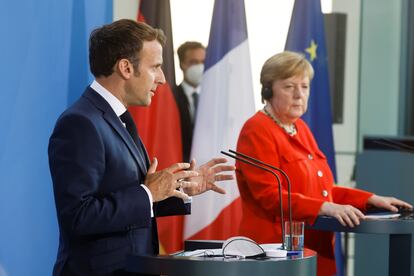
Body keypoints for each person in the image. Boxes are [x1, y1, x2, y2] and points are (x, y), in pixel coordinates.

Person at [48, 19, 234, 276]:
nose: (163, 79)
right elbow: (78, 216)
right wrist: (148, 193)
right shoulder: (80, 123)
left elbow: (130, 195)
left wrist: (178, 188)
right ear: (125, 67)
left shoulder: (120, 118)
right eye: (156, 67)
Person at [235, 51, 412, 276]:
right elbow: (270, 196)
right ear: (268, 90)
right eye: (289, 87)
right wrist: (325, 207)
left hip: (313, 249)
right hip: (275, 254)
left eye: (305, 87)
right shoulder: (257, 129)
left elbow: (322, 191)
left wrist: (370, 200)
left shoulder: (301, 129)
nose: (299, 95)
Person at [173, 41, 206, 162]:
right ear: (182, 64)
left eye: (203, 62)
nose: (200, 67)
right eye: (194, 62)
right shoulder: (171, 97)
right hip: (181, 164)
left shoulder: (214, 100)